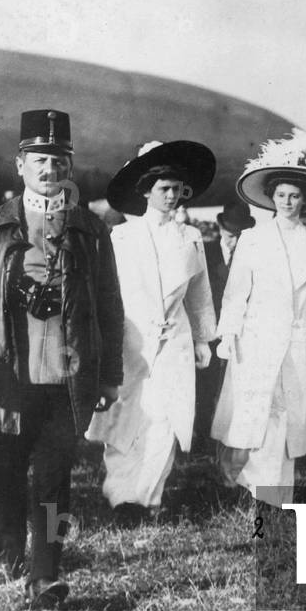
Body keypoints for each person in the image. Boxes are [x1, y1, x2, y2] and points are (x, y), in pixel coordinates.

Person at [0, 109, 124, 609]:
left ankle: (45, 573)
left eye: (59, 159)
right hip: (7, 376)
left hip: (66, 381)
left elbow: (110, 306)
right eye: (40, 159)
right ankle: (7, 553)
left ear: (69, 165)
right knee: (6, 472)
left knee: (53, 480)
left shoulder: (90, 230)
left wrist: (109, 375)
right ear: (20, 163)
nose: (50, 168)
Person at [212, 132, 306, 506]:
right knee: (257, 418)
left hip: (298, 343)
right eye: (282, 195)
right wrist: (228, 333)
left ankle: (271, 498)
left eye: (295, 196)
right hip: (256, 341)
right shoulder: (253, 240)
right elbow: (236, 293)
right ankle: (260, 489)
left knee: (288, 424)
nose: (288, 202)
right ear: (272, 198)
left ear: (305, 200)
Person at [84, 140, 217, 521]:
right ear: (145, 191)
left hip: (174, 339)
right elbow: (106, 293)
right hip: (132, 339)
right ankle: (121, 496)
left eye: (177, 189)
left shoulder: (190, 238)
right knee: (129, 417)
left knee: (166, 420)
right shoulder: (122, 238)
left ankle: (150, 501)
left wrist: (203, 339)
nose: (172, 196)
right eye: (164, 189)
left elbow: (200, 292)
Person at [194, 200, 256, 455]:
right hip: (209, 327)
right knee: (205, 386)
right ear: (220, 229)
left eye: (240, 235)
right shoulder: (206, 253)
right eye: (231, 235)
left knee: (233, 385)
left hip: (239, 330)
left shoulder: (252, 255)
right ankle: (201, 436)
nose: (235, 241)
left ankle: (227, 436)